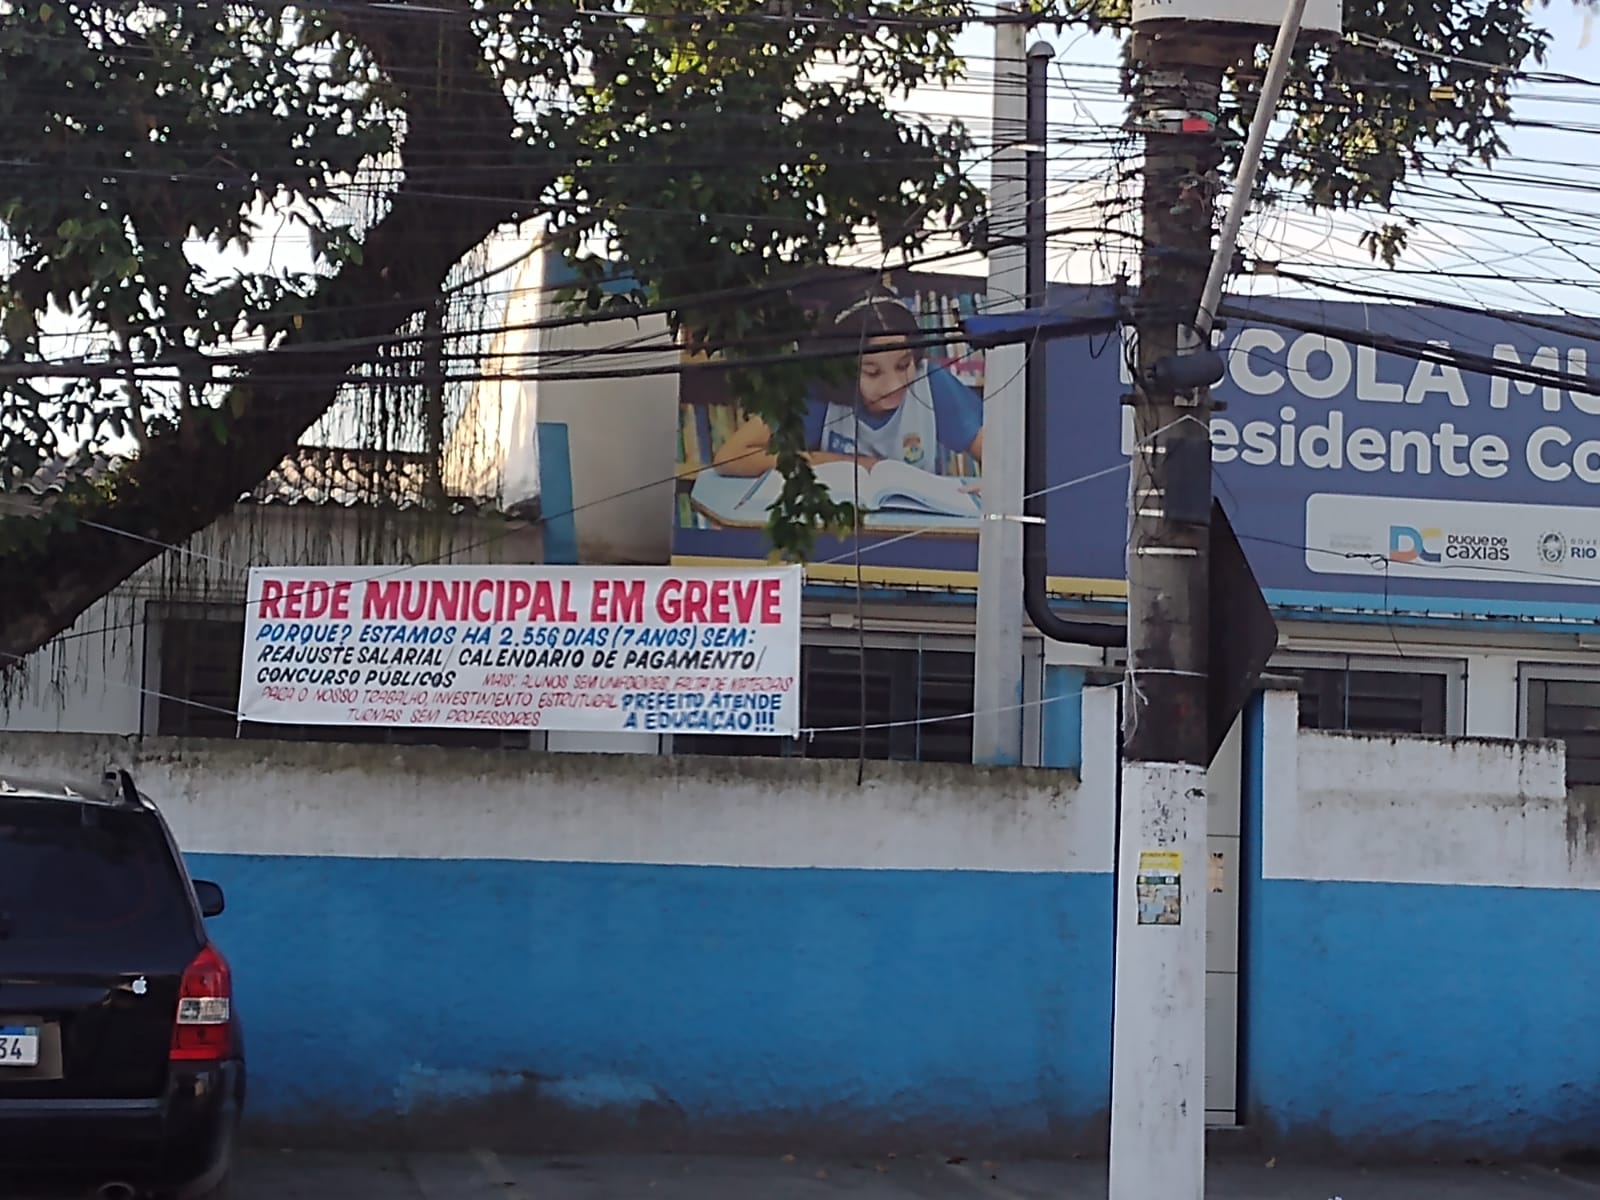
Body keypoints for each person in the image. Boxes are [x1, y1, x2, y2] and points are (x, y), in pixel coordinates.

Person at [711, 289, 984, 478]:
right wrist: (847, 465)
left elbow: (1002, 457)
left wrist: (996, 491)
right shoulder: (818, 389)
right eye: (872, 372)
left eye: (904, 365)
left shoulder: (931, 383)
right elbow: (730, 457)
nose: (893, 384)